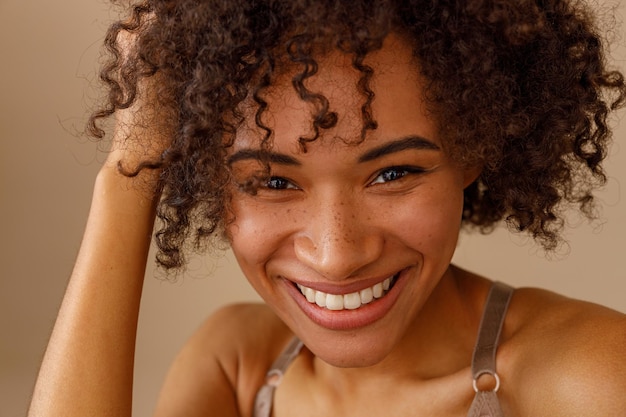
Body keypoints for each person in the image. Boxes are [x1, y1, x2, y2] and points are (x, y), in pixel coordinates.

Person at [28, 0, 626, 416]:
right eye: (272, 182)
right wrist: (128, 177)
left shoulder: (593, 377)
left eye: (393, 173)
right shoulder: (238, 366)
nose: (337, 255)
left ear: (474, 152)